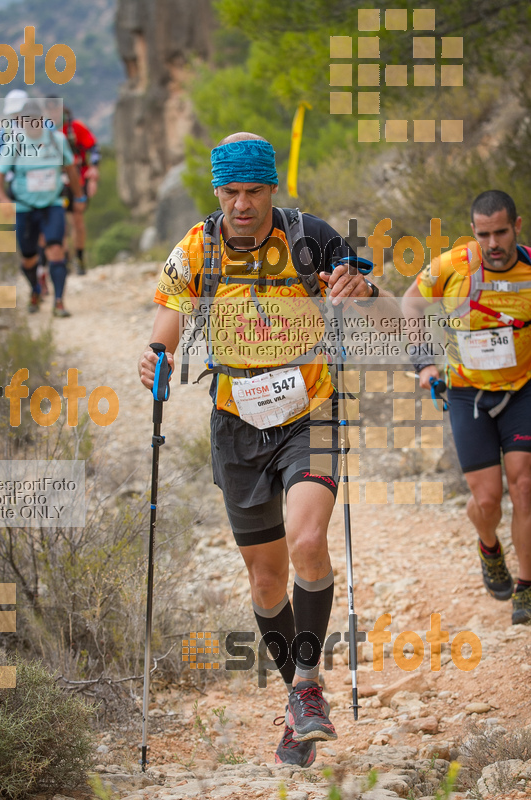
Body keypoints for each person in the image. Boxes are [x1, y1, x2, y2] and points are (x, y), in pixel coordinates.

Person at [139, 132, 387, 766]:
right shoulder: (195, 248)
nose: (242, 203)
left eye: (253, 191)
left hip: (312, 409)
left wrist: (363, 293)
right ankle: (298, 703)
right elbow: (166, 325)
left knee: (307, 542)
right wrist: (157, 358)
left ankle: (307, 687)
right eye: (230, 192)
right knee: (267, 581)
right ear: (217, 191)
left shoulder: (313, 237)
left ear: (271, 189)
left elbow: (386, 311)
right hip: (236, 423)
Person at [403, 190, 531, 625]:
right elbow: (410, 304)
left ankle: (526, 589)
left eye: (500, 232)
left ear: (516, 225)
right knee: (488, 500)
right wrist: (424, 363)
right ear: (473, 231)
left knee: (524, 487)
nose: (493, 243)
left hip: (522, 391)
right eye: (483, 234)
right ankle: (489, 546)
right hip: (466, 393)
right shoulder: (454, 265)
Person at [0, 99, 86, 317]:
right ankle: (35, 290)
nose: (32, 124)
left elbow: (71, 168)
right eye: (27, 121)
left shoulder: (57, 140)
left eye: (36, 120)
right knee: (28, 257)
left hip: (52, 204)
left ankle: (59, 301)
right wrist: (3, 199)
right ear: (20, 121)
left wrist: (78, 196)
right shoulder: (14, 144)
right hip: (24, 208)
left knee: (56, 250)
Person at [45, 97, 101, 275]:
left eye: (55, 110)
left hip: (78, 179)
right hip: (55, 182)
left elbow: (94, 148)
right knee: (59, 221)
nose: (53, 114)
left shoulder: (75, 128)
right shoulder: (43, 131)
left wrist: (93, 171)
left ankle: (79, 257)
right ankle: (64, 259)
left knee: (77, 219)